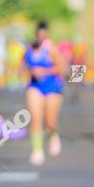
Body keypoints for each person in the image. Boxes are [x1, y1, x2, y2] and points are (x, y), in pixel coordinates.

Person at [22, 21, 65, 165]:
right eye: (38, 35)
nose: (41, 38)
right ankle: (37, 150)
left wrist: (45, 71)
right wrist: (26, 71)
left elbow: (62, 67)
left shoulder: (51, 48)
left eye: (43, 35)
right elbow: (23, 65)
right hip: (35, 87)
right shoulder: (29, 48)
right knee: (35, 118)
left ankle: (53, 135)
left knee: (50, 122)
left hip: (52, 87)